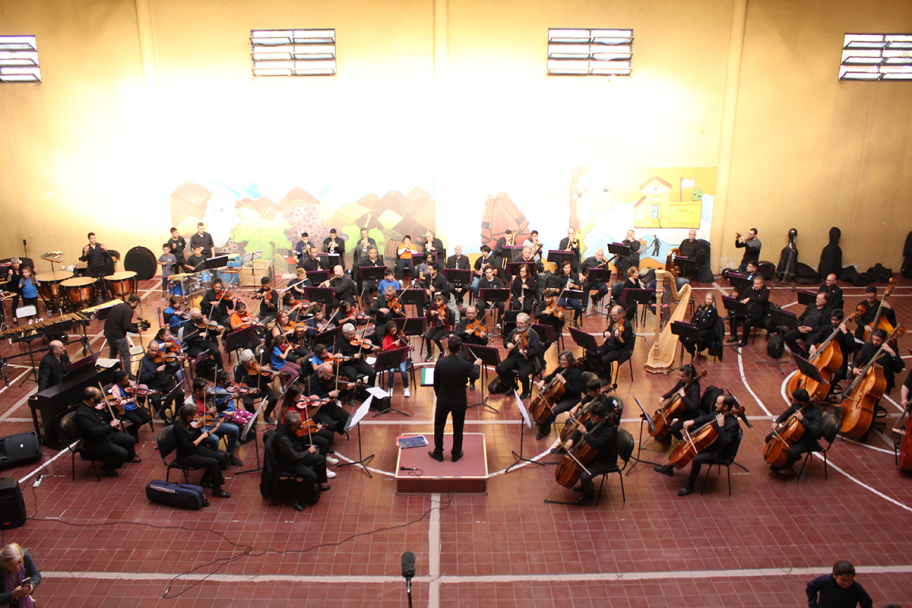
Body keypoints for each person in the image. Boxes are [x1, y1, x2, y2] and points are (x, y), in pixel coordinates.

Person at [661, 394, 742, 496]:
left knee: (696, 458)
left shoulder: (733, 424)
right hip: (710, 444)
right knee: (688, 442)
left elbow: (725, 443)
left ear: (726, 407)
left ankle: (690, 485)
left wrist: (721, 427)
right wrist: (693, 421)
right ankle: (669, 467)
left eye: (718, 403)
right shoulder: (719, 413)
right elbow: (707, 418)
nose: (716, 405)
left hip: (719, 452)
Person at [429, 336, 480, 462]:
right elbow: (475, 375)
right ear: (460, 348)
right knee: (458, 428)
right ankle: (456, 453)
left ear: (447, 347)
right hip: (459, 401)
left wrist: (440, 396)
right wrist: (477, 365)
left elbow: (436, 383)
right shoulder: (465, 365)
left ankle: (438, 452)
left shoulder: (440, 363)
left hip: (443, 400)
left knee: (439, 427)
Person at [561, 398, 619, 505]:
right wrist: (571, 440)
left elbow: (596, 444)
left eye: (591, 415)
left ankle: (589, 493)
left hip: (605, 460)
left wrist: (585, 434)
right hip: (595, 455)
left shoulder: (610, 430)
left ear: (596, 417)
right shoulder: (595, 422)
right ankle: (584, 485)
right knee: (581, 466)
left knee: (585, 475)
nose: (589, 418)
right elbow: (581, 428)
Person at [74, 387, 140, 476]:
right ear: (91, 399)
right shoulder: (82, 414)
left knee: (131, 440)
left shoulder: (94, 406)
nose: (100, 398)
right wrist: (110, 425)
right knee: (122, 453)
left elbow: (104, 417)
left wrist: (116, 408)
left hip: (106, 434)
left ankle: (125, 457)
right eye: (98, 396)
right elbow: (95, 431)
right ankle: (108, 466)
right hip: (96, 441)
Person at [273, 411, 330, 511]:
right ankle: (296, 497)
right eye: (299, 423)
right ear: (293, 426)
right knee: (311, 475)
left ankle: (318, 484)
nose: (301, 425)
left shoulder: (291, 430)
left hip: (297, 456)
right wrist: (308, 451)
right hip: (288, 463)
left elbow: (300, 441)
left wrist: (312, 433)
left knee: (320, 459)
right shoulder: (283, 438)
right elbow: (294, 457)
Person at [172, 404, 230, 498]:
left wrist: (216, 428)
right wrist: (201, 437)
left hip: (196, 449)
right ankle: (216, 489)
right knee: (213, 462)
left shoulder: (192, 423)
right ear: (187, 417)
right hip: (185, 455)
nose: (196, 417)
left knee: (220, 458)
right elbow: (189, 446)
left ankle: (206, 478)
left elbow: (204, 437)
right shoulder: (178, 428)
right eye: (194, 415)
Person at [185, 378, 243, 467]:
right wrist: (207, 413)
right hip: (200, 427)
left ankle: (229, 456)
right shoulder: (189, 403)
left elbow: (218, 409)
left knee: (234, 429)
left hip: (211, 422)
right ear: (197, 391)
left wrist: (227, 401)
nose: (208, 391)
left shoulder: (205, 397)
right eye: (205, 390)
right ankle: (216, 461)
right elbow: (193, 421)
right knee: (214, 439)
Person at [766, 388, 823, 473]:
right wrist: (777, 422)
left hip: (807, 438)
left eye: (795, 400)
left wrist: (803, 419)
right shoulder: (797, 405)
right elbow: (787, 413)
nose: (793, 401)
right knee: (769, 438)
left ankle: (786, 465)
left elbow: (817, 430)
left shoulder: (816, 412)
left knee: (792, 452)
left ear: (802, 401)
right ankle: (789, 456)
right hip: (792, 433)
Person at [533, 350, 583, 440]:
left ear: (570, 361)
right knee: (545, 400)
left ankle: (543, 429)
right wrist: (543, 381)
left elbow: (575, 391)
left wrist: (564, 381)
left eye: (565, 360)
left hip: (572, 399)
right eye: (561, 359)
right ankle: (544, 420)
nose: (562, 362)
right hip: (561, 395)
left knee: (554, 411)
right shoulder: (561, 369)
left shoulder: (576, 373)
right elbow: (551, 375)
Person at [495, 312, 542, 399]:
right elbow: (505, 341)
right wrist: (508, 344)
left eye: (521, 323)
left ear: (527, 323)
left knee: (522, 375)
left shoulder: (533, 335)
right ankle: (512, 385)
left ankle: (525, 391)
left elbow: (536, 350)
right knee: (499, 368)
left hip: (527, 360)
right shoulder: (514, 331)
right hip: (514, 357)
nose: (518, 325)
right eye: (517, 323)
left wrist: (526, 352)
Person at [652, 364, 702, 444]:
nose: (680, 378)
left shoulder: (695, 389)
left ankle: (683, 441)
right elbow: (674, 390)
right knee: (659, 412)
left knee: (673, 429)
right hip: (681, 411)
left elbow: (693, 407)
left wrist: (684, 396)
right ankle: (666, 436)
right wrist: (663, 397)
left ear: (690, 375)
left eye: (683, 376)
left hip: (689, 415)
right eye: (679, 375)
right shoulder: (683, 382)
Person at [584, 305, 634, 382]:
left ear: (621, 314)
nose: (613, 317)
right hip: (608, 346)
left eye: (615, 315)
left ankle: (607, 378)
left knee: (604, 359)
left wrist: (618, 337)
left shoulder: (627, 326)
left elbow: (623, 344)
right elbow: (607, 330)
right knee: (590, 351)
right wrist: (606, 333)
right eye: (612, 315)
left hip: (618, 350)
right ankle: (599, 370)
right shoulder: (614, 321)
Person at [137, 341, 181, 423]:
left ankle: (176, 414)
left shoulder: (162, 357)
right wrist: (156, 371)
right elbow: (143, 378)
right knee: (155, 400)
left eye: (156, 351)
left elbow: (170, 371)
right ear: (148, 348)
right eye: (152, 350)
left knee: (180, 393)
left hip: (167, 382)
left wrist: (178, 364)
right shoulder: (143, 362)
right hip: (154, 386)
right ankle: (164, 418)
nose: (154, 353)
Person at [809, 309, 854, 387]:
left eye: (836, 320)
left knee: (839, 373)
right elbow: (814, 338)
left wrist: (845, 333)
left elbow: (852, 348)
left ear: (841, 320)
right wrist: (812, 345)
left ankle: (830, 387)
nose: (834, 322)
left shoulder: (846, 333)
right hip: (824, 355)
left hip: (839, 359)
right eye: (833, 319)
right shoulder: (827, 329)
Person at [853, 328, 905, 394]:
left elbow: (899, 367)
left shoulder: (891, 350)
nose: (875, 342)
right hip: (866, 376)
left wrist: (892, 353)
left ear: (884, 340)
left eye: (878, 340)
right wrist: (855, 368)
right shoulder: (867, 346)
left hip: (881, 382)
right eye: (873, 339)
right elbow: (857, 360)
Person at [306, 363, 355, 430]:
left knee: (348, 419)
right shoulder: (310, 382)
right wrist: (329, 395)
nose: (329, 378)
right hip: (317, 409)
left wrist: (346, 390)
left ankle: (335, 431)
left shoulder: (331, 379)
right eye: (327, 376)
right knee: (330, 425)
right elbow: (313, 401)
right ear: (320, 372)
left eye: (330, 375)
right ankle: (329, 436)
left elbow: (338, 395)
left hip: (329, 406)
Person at [235, 349, 280, 423]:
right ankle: (253, 417)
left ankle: (266, 414)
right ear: (243, 361)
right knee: (247, 403)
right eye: (247, 361)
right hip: (248, 391)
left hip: (260, 387)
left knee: (274, 398)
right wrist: (247, 391)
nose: (250, 362)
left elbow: (267, 379)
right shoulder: (239, 370)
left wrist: (273, 377)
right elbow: (237, 384)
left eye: (251, 360)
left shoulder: (257, 366)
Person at [805, 561, 873, 608]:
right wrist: (813, 605)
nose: (847, 583)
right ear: (834, 575)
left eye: (850, 580)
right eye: (843, 580)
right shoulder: (825, 581)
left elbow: (867, 602)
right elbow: (811, 587)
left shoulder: (857, 588)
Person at [784, 291, 830, 358]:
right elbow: (800, 318)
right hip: (803, 329)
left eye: (819, 299)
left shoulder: (828, 312)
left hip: (813, 333)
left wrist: (811, 329)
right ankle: (799, 353)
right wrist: (799, 327)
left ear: (825, 301)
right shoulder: (811, 306)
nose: (817, 300)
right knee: (787, 336)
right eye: (817, 298)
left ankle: (808, 358)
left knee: (809, 344)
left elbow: (825, 327)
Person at [103, 295, 142, 372]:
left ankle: (111, 372)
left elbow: (121, 322)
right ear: (135, 302)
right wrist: (137, 330)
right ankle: (128, 375)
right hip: (118, 336)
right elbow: (126, 327)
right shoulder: (128, 310)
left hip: (108, 334)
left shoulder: (119, 306)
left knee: (113, 353)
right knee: (126, 355)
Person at [453, 305, 488, 390]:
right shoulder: (462, 324)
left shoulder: (481, 325)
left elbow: (485, 343)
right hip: (464, 348)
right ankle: (463, 380)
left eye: (472, 313)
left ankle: (472, 381)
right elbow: (456, 333)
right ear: (466, 313)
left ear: (476, 313)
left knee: (473, 363)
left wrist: (483, 338)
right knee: (459, 362)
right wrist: (465, 331)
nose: (470, 315)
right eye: (468, 313)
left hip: (475, 349)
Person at [853, 285, 896, 352]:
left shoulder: (881, 305)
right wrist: (864, 326)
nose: (869, 299)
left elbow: (890, 317)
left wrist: (890, 308)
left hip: (875, 331)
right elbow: (857, 319)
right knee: (857, 349)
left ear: (876, 295)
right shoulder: (861, 305)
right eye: (867, 297)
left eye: (872, 297)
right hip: (863, 330)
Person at [730, 275, 770, 348]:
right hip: (746, 311)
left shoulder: (765, 291)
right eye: (755, 283)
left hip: (756, 313)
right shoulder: (749, 289)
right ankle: (734, 336)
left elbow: (761, 299)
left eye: (758, 284)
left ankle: (744, 340)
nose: (756, 285)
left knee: (747, 321)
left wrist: (750, 298)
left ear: (762, 284)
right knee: (733, 316)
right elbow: (743, 298)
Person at [337, 323, 378, 388]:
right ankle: (351, 396)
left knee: (373, 372)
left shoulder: (356, 338)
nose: (353, 336)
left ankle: (368, 389)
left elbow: (365, 350)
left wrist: (372, 349)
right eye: (350, 334)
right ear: (344, 333)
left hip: (359, 362)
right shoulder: (339, 343)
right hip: (348, 364)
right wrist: (352, 356)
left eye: (353, 333)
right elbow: (339, 357)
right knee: (352, 377)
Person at [0, 542, 41, 607]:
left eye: (19, 562)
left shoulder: (25, 557)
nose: (17, 567)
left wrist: (32, 585)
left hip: (22, 601)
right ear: (4, 563)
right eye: (12, 564)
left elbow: (36, 574)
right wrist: (13, 594)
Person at [682, 293, 719, 358]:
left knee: (691, 339)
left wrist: (698, 328)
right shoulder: (701, 307)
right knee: (681, 335)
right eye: (707, 299)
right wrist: (692, 324)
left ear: (713, 301)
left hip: (706, 330)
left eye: (710, 299)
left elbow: (709, 325)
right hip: (697, 327)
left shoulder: (714, 311)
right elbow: (694, 317)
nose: (708, 300)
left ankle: (691, 349)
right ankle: (691, 349)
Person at [381, 320, 411, 397]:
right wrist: (392, 344)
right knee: (391, 371)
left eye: (395, 330)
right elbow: (384, 348)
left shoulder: (401, 334)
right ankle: (390, 388)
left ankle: (406, 387)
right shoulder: (387, 337)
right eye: (392, 331)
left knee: (403, 370)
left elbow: (405, 346)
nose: (394, 332)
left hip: (402, 357)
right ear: (388, 331)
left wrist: (408, 347)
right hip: (392, 358)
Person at [534, 288, 565, 354]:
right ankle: (538, 354)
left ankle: (540, 354)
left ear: (552, 297)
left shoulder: (558, 306)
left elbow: (562, 324)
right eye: (545, 298)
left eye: (549, 298)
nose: (547, 300)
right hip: (542, 328)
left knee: (548, 341)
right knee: (534, 339)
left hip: (553, 329)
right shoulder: (542, 305)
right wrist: (543, 312)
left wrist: (560, 318)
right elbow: (536, 316)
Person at [424, 293, 454, 361]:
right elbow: (426, 313)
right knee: (428, 337)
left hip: (443, 327)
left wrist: (443, 318)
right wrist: (430, 312)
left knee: (435, 338)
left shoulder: (446, 308)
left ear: (442, 300)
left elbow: (447, 319)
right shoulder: (434, 306)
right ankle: (429, 354)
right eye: (436, 301)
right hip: (435, 326)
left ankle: (442, 351)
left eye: (439, 301)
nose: (437, 303)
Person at [476, 264, 505, 330]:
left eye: (490, 272)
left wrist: (493, 300)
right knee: (481, 305)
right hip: (484, 298)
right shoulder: (482, 281)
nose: (489, 274)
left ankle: (499, 323)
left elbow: (499, 292)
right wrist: (487, 300)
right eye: (487, 273)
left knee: (501, 305)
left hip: (495, 298)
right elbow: (480, 292)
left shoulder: (497, 280)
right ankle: (483, 323)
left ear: (492, 272)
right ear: (485, 273)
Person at [3, 259, 23, 323]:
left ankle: (28, 315)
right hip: (13, 287)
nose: (16, 264)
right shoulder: (9, 269)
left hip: (22, 285)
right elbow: (8, 280)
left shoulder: (22, 267)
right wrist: (9, 275)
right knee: (15, 301)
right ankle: (14, 316)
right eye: (14, 263)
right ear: (12, 264)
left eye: (17, 263)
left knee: (26, 299)